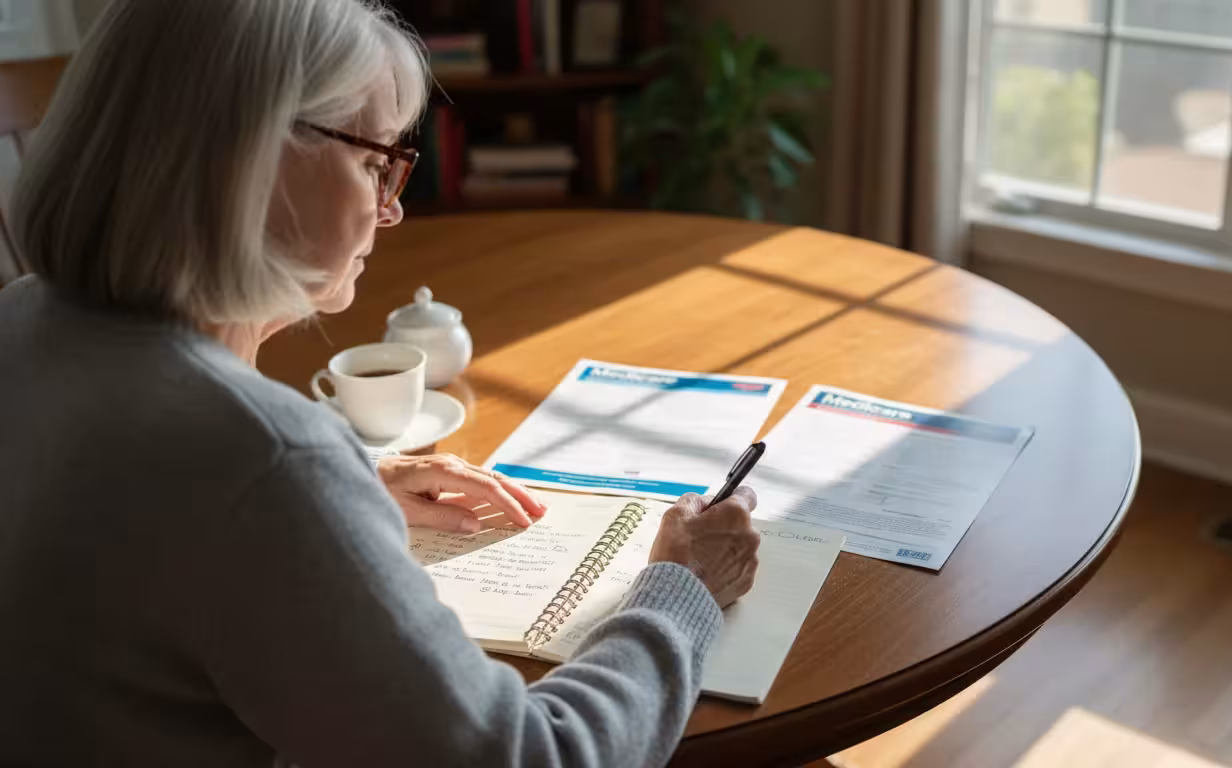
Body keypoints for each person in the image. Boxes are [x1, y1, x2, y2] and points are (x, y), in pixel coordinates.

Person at [0, 1, 762, 766]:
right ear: (253, 159)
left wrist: (349, 486)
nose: (390, 209)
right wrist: (681, 588)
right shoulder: (261, 460)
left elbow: (145, 526)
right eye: (375, 162)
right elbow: (535, 757)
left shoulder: (22, 322)